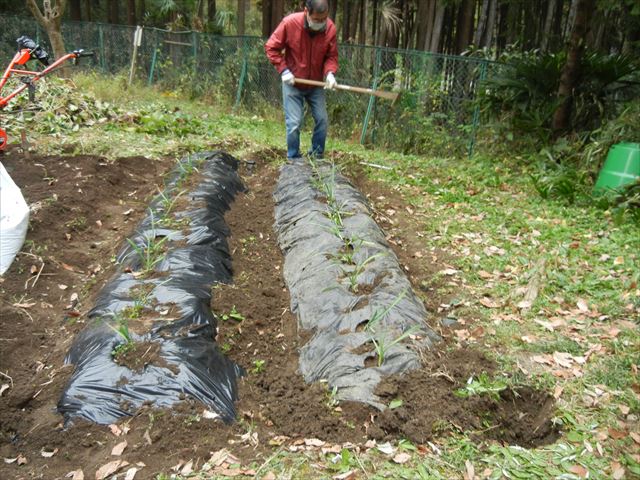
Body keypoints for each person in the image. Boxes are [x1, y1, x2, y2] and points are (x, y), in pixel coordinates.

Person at [265, 0, 338, 161]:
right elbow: (271, 47)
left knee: (322, 120)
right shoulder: (290, 23)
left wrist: (330, 73)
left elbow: (331, 56)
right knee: (294, 123)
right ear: (306, 11)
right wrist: (284, 70)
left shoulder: (330, 28)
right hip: (293, 82)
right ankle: (294, 159)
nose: (321, 23)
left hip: (316, 85)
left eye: (324, 19)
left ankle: (317, 156)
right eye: (317, 19)